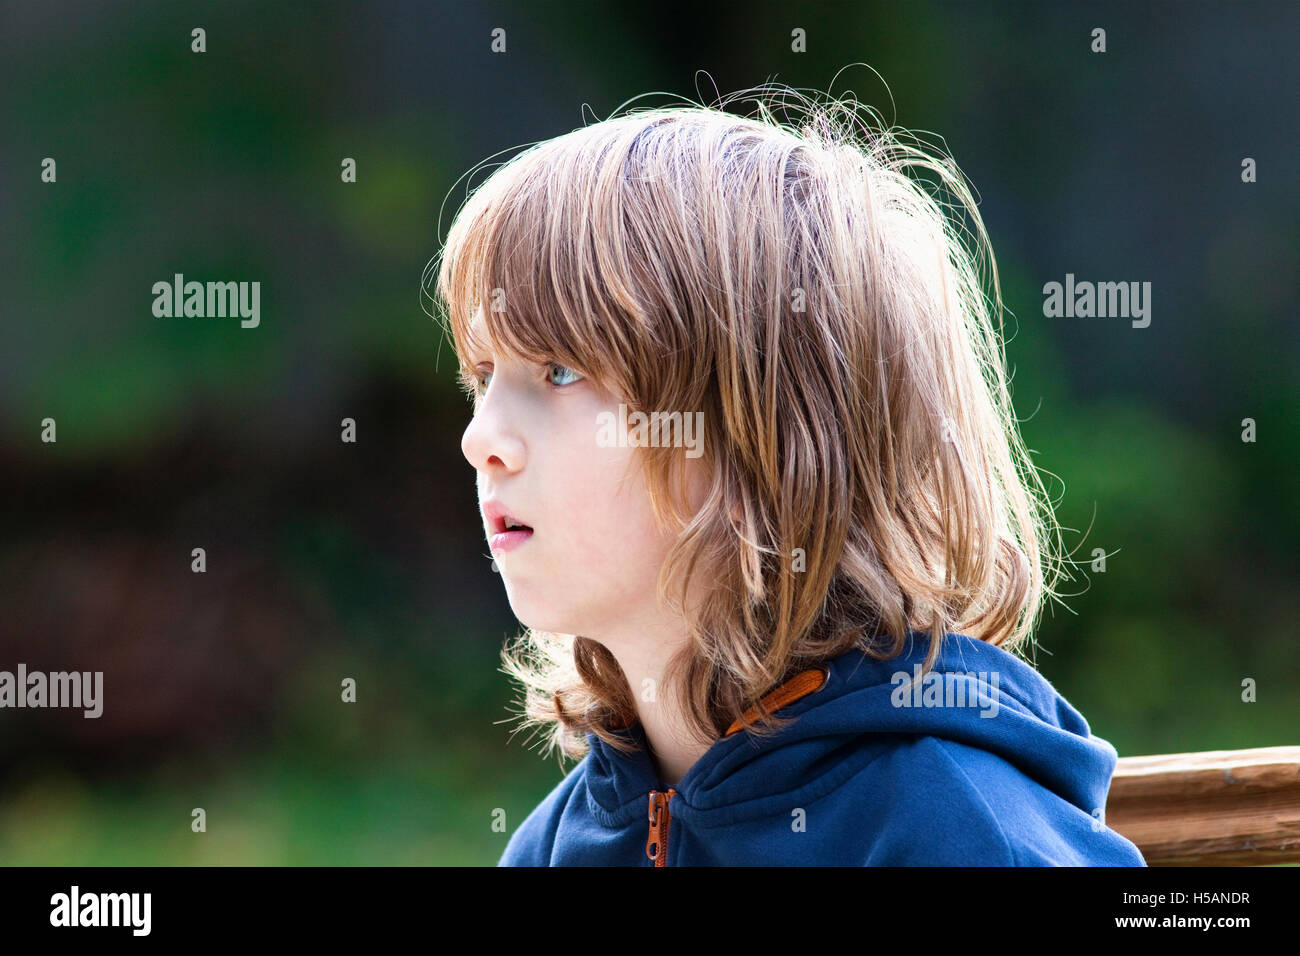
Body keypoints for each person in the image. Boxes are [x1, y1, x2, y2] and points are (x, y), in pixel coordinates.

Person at [427, 83, 1147, 866]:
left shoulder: (956, 834)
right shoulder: (557, 845)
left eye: (560, 370)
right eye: (482, 377)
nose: (480, 438)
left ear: (769, 436)